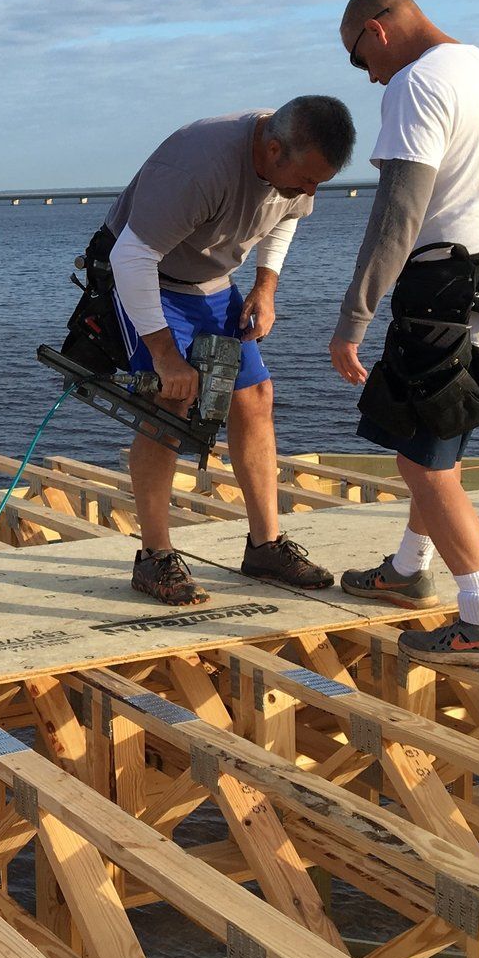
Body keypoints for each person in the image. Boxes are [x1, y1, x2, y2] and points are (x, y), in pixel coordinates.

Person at [329, 0, 479, 667]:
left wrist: (353, 317)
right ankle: (407, 568)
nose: (369, 76)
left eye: (358, 58)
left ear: (378, 31)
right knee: (436, 441)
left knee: (420, 459)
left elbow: (398, 214)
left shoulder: (416, 82)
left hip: (445, 290)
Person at [104, 96, 357, 605]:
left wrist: (266, 285)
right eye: (306, 179)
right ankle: (153, 557)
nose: (310, 192)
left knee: (255, 396)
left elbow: (286, 217)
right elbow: (129, 256)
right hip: (147, 277)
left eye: (319, 182)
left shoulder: (294, 171)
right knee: (169, 403)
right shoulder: (199, 167)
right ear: (272, 149)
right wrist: (165, 355)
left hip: (211, 281)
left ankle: (265, 546)